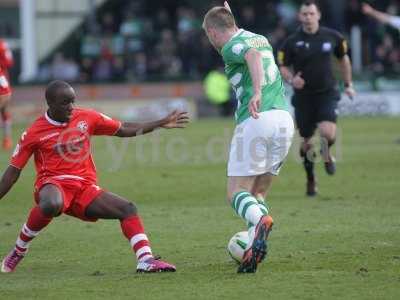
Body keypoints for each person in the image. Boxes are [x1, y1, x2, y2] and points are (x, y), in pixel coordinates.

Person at [0, 80, 189, 273]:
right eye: (65, 103)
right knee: (51, 204)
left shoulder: (87, 117)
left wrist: (160, 122)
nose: (71, 107)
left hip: (84, 188)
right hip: (53, 184)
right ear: (50, 104)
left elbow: (123, 128)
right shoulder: (33, 133)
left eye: (72, 101)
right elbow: (12, 173)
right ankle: (19, 250)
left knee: (127, 209)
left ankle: (145, 260)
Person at [203, 2, 294, 273]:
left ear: (212, 32)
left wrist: (255, 92)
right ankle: (255, 243)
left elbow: (251, 55)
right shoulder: (259, 36)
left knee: (237, 192)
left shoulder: (230, 47)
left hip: (256, 120)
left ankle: (261, 222)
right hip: (284, 121)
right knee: (258, 192)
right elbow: (251, 44)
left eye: (208, 35)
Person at [278, 0, 356, 196]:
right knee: (305, 144)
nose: (308, 17)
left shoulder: (333, 37)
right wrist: (291, 79)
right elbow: (283, 67)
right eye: (305, 14)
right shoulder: (291, 42)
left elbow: (344, 59)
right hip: (303, 98)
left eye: (311, 14)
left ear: (318, 15)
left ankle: (327, 153)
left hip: (326, 93)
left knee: (327, 133)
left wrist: (348, 84)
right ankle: (311, 178)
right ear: (299, 17)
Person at [0, 38, 14, 150]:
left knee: (4, 109)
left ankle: (7, 138)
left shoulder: (2, 44)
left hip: (2, 78)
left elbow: (9, 62)